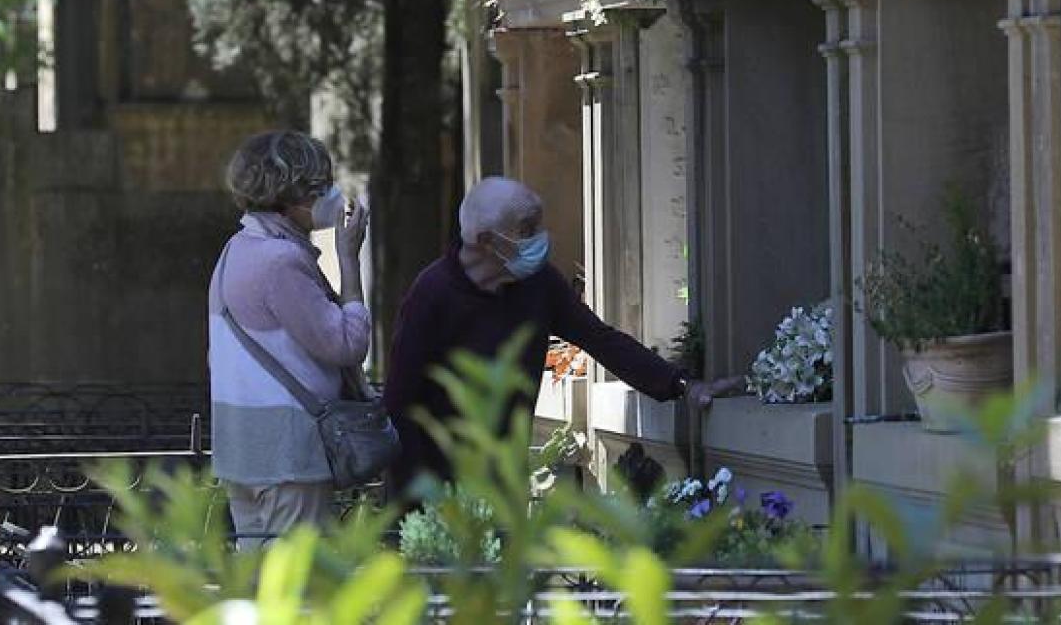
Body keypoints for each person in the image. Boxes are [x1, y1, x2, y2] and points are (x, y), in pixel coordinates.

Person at [382, 176, 742, 498]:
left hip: (503, 481)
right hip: (433, 485)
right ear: (487, 241)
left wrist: (681, 385)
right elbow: (400, 401)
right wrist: (419, 494)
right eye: (526, 229)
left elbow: (601, 339)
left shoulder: (540, 285)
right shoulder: (432, 294)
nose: (540, 237)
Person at [207, 130, 372, 547]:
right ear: (293, 196)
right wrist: (349, 260)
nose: (332, 194)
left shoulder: (236, 250)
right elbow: (347, 344)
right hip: (288, 455)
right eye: (321, 186)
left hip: (240, 448)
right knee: (296, 593)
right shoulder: (281, 262)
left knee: (260, 592)